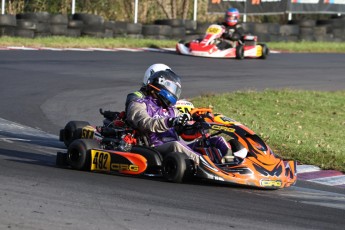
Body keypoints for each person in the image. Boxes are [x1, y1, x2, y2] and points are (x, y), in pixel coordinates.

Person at [126, 70, 233, 167]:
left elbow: (186, 131)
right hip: (154, 147)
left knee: (217, 141)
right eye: (173, 88)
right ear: (162, 84)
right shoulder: (139, 104)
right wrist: (170, 122)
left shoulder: (171, 110)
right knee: (176, 145)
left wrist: (198, 124)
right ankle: (207, 166)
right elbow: (146, 123)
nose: (174, 92)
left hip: (178, 147)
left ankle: (232, 163)